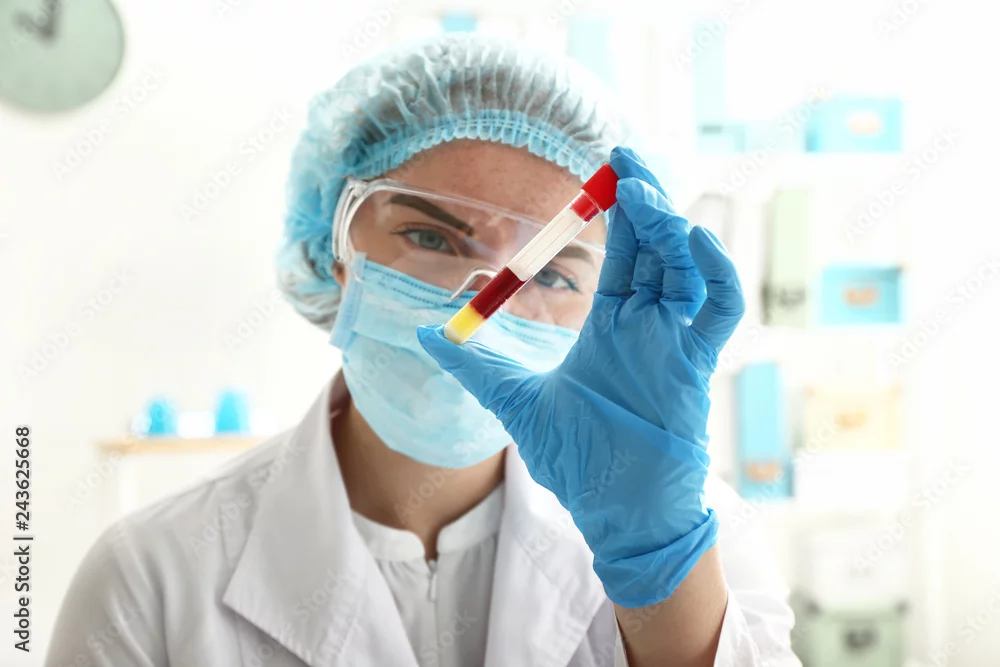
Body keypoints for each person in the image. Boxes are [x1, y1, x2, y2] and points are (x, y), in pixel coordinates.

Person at [46, 34, 799, 667]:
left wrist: (658, 567)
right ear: (336, 252)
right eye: (430, 237)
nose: (482, 305)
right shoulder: (152, 577)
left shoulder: (691, 540)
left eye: (551, 273)